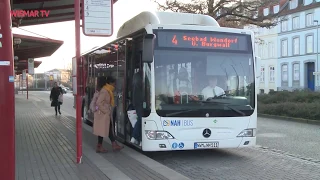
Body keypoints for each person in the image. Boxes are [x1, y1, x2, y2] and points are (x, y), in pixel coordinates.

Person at [94, 76, 123, 153]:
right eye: (114, 83)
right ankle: (110, 145)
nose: (115, 85)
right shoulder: (105, 91)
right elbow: (98, 103)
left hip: (105, 115)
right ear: (110, 83)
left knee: (108, 129)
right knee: (105, 129)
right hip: (103, 115)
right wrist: (106, 111)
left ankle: (110, 145)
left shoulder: (108, 90)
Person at [130, 71, 143, 146]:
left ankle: (136, 138)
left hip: (137, 102)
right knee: (141, 119)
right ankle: (136, 138)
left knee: (140, 119)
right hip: (140, 102)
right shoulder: (140, 77)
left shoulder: (136, 77)